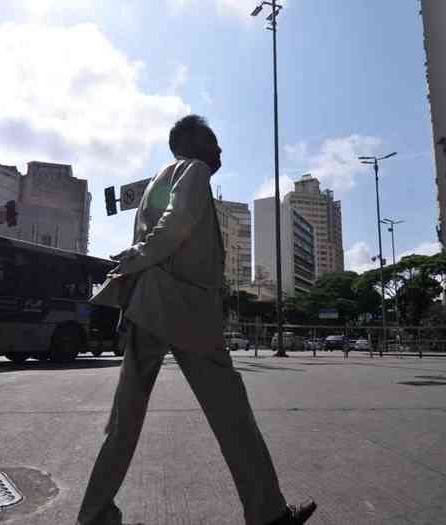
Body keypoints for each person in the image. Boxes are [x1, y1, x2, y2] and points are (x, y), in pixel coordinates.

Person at [80, 115, 316, 525]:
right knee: (232, 415)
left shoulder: (158, 180)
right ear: (192, 144)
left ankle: (95, 514)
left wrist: (136, 261)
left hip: (145, 306)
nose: (219, 151)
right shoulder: (194, 169)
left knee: (124, 421)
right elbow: (178, 224)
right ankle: (269, 515)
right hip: (185, 309)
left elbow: (159, 231)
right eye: (214, 142)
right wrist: (138, 256)